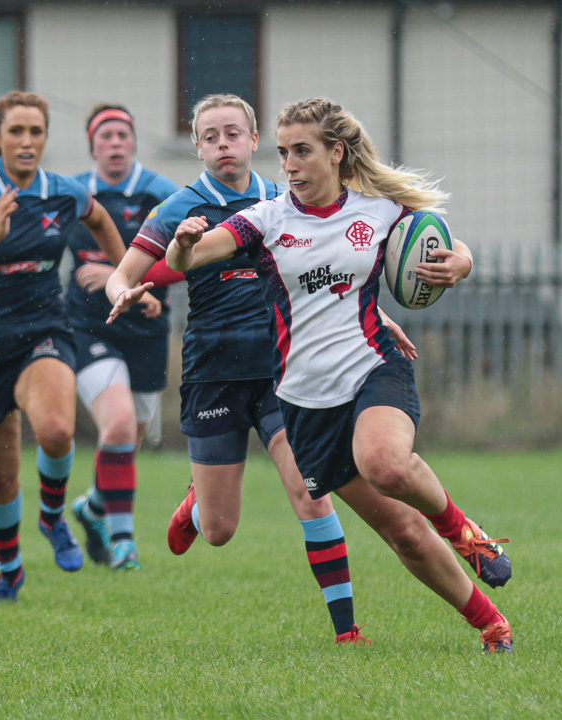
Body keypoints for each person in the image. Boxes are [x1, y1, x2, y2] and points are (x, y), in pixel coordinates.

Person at [115, 97, 515, 653]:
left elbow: (440, 234)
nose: (291, 165)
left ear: (336, 153)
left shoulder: (377, 207)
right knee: (399, 529)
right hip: (305, 401)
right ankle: (491, 621)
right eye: (284, 153)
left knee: (385, 462)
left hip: (374, 367)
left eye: (302, 151)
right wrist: (183, 246)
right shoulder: (268, 217)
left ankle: (467, 536)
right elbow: (191, 258)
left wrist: (462, 262)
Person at [105, 94, 378, 645]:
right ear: (198, 147)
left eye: (233, 133)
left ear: (255, 141)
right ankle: (198, 503)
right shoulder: (180, 208)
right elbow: (123, 272)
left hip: (285, 370)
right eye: (211, 136)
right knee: (220, 531)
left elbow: (337, 271)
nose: (223, 144)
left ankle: (346, 630)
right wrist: (125, 291)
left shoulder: (286, 198)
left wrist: (380, 318)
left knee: (310, 491)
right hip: (214, 372)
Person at [0, 91, 127, 602]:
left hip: (43, 329)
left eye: (35, 132)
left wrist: (123, 277)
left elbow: (101, 219)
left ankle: (50, 517)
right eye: (16, 132)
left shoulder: (62, 192)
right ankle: (9, 566)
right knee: (0, 477)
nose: (26, 142)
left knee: (58, 431)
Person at [65, 104, 180, 570]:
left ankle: (92, 507)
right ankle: (124, 543)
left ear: (133, 144)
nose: (115, 143)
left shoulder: (161, 194)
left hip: (146, 327)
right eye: (105, 136)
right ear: (92, 146)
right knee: (114, 427)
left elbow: (186, 258)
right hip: (90, 328)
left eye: (122, 136)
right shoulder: (73, 194)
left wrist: (119, 275)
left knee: (126, 444)